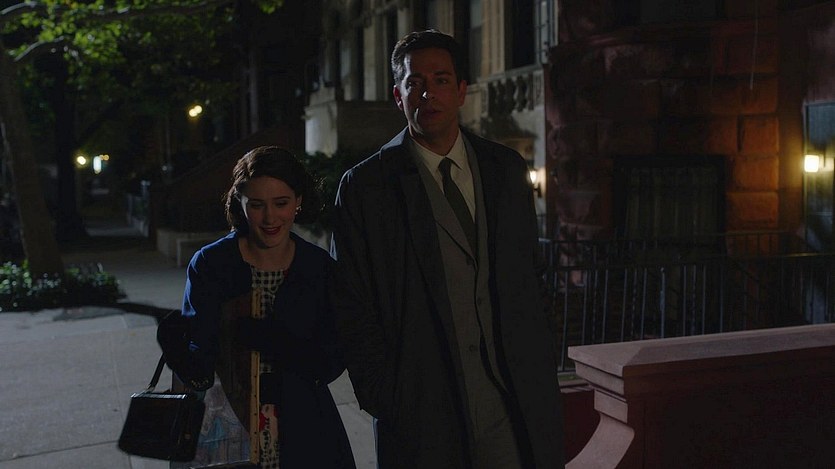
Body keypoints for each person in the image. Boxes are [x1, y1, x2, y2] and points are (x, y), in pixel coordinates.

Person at [330, 30, 565, 468]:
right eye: (415, 82)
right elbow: (351, 302)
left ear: (461, 91)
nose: (428, 94)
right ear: (398, 96)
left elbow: (531, 274)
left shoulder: (504, 169)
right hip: (421, 409)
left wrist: (541, 357)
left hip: (512, 401)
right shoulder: (367, 187)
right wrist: (386, 396)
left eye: (440, 80)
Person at [173, 146, 356, 468]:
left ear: (298, 201)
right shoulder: (212, 264)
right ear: (240, 203)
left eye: (281, 203)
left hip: (304, 424)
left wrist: (283, 345)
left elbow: (333, 359)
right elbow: (198, 361)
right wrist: (184, 347)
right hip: (229, 426)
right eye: (257, 205)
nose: (270, 218)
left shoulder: (318, 267)